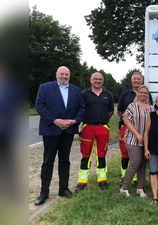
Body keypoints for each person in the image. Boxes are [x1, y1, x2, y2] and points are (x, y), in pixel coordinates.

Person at [34, 66, 85, 206]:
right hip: (51, 129)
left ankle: (64, 189)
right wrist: (55, 120)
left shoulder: (76, 90)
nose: (64, 76)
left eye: (67, 74)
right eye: (62, 74)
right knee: (48, 161)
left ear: (70, 76)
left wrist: (74, 121)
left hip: (68, 130)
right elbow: (40, 106)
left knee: (65, 161)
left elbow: (82, 108)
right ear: (56, 74)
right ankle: (44, 192)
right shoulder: (45, 88)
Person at [74, 72, 114, 192]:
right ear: (91, 80)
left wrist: (102, 119)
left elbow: (111, 111)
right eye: (95, 79)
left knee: (101, 154)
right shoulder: (84, 94)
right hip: (88, 127)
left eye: (100, 79)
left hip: (102, 127)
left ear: (103, 81)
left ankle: (102, 180)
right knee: (86, 154)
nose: (97, 81)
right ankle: (82, 181)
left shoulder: (108, 95)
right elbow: (79, 109)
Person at [117, 72, 153, 187]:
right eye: (141, 92)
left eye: (145, 93)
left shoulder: (151, 108)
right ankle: (125, 187)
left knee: (143, 164)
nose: (143, 94)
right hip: (133, 139)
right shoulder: (132, 106)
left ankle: (140, 188)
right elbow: (125, 119)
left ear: (148, 95)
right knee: (135, 163)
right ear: (138, 93)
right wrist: (137, 134)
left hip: (146, 140)